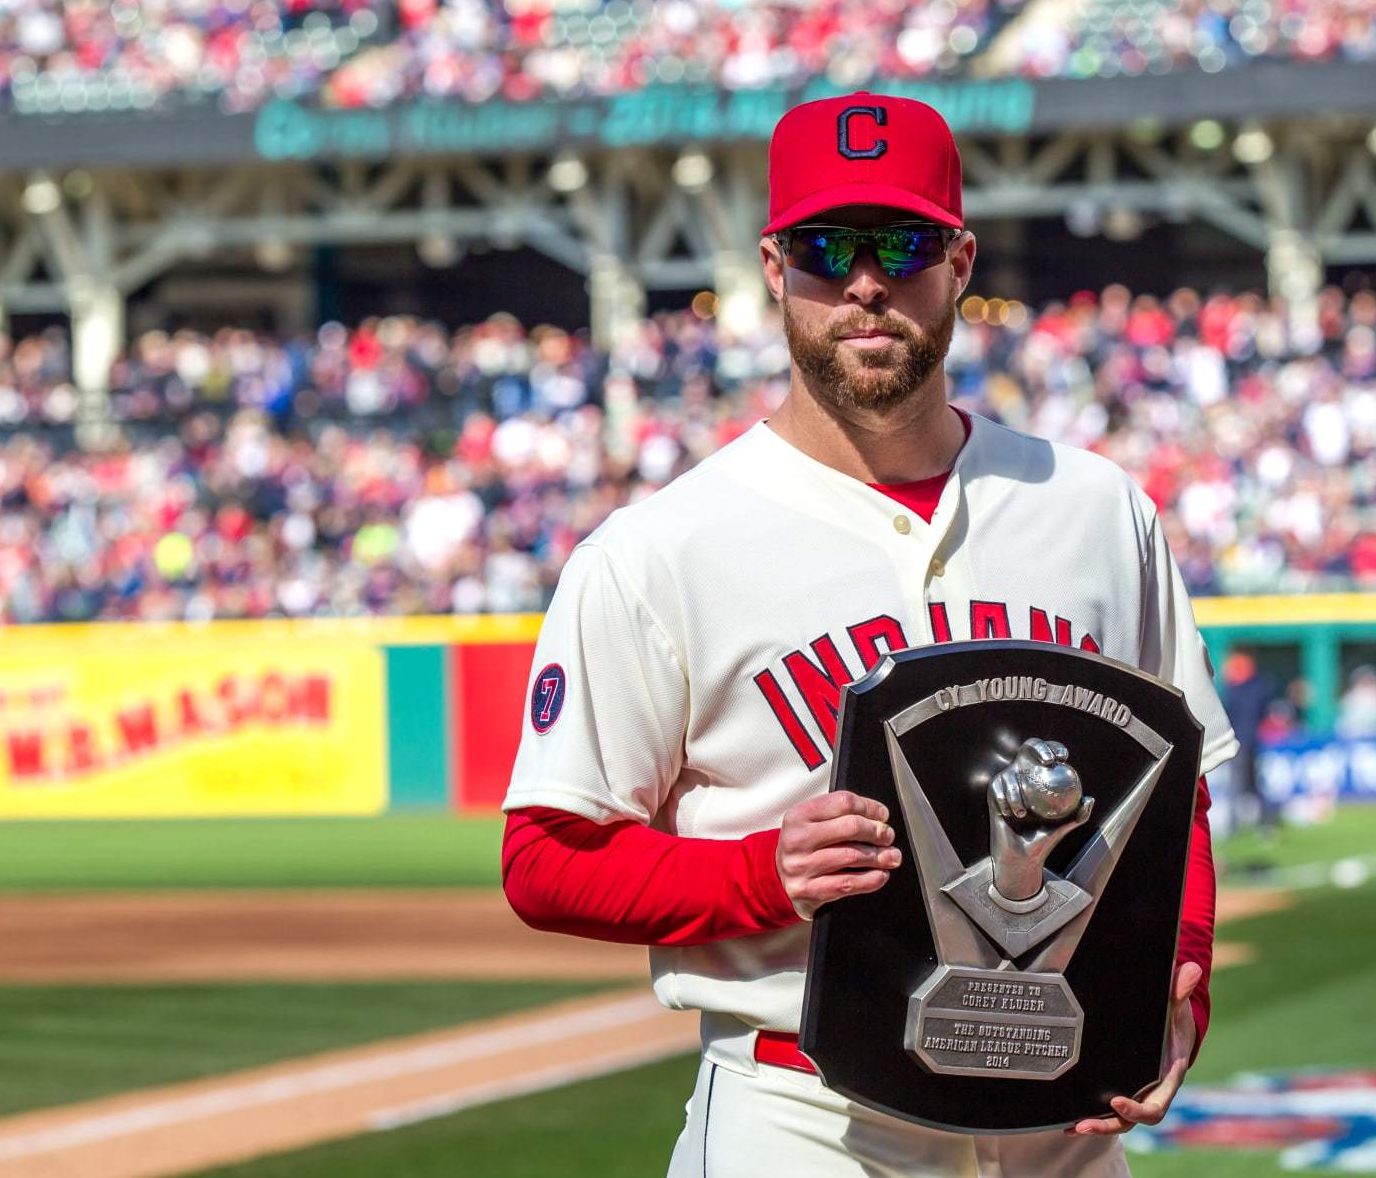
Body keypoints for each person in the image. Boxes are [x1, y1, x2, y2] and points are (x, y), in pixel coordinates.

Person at [499, 91, 1238, 1177]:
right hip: (805, 1114)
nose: (863, 280)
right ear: (770, 263)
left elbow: (1181, 794)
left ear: (960, 259)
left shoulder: (1093, 507)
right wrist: (762, 873)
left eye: (901, 243)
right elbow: (544, 860)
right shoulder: (659, 548)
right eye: (823, 246)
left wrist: (1179, 968)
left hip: (1060, 1116)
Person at [1220, 650, 1279, 835]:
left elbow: (1227, 714)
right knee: (1254, 783)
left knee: (1237, 785)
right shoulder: (1259, 687)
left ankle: (1233, 825)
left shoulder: (1235, 691)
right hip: (1253, 740)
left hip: (1238, 741)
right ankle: (1265, 820)